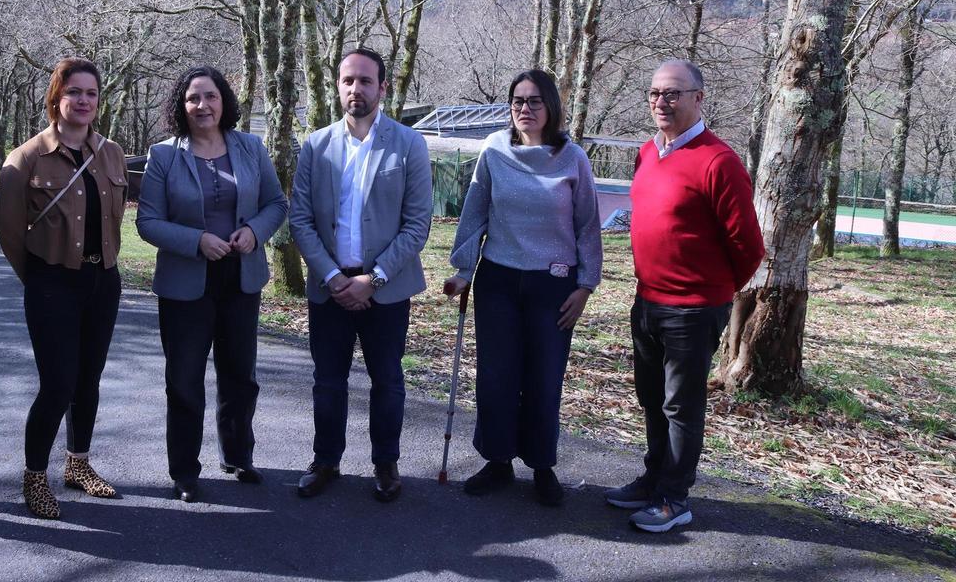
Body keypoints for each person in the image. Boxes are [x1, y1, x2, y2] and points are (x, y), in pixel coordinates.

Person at [604, 59, 764, 533]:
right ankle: (656, 478)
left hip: (693, 309)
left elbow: (749, 247)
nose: (661, 102)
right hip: (648, 300)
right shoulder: (646, 154)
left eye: (673, 93)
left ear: (698, 98)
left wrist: (712, 291)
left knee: (681, 405)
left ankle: (675, 497)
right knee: (651, 397)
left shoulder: (719, 162)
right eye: (654, 93)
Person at [443, 69, 602, 506]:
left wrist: (586, 285)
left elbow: (588, 225)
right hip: (497, 279)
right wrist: (463, 270)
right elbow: (475, 212)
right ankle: (497, 461)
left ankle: (542, 466)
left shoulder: (573, 158)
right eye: (517, 101)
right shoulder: (494, 150)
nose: (524, 109)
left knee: (543, 378)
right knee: (496, 376)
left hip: (553, 284)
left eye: (534, 101)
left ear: (550, 106)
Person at [136, 66, 287, 504]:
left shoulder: (251, 148)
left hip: (241, 277)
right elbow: (147, 222)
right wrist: (196, 241)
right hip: (186, 282)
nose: (203, 106)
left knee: (240, 375)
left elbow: (276, 203)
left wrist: (255, 232)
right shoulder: (164, 155)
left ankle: (238, 455)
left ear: (225, 101)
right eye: (193, 98)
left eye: (211, 96)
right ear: (181, 107)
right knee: (184, 380)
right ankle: (184, 470)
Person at [289, 48, 432, 503]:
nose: (356, 89)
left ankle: (385, 463)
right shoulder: (315, 145)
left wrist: (375, 278)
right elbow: (301, 220)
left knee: (387, 380)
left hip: (385, 291)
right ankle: (326, 460)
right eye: (348, 80)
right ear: (337, 86)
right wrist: (333, 277)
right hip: (328, 288)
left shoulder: (409, 145)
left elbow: (418, 223)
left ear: (382, 87)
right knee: (328, 380)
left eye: (366, 81)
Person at [0, 57, 129, 520]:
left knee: (88, 380)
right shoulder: (26, 158)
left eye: (91, 93)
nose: (84, 101)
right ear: (57, 97)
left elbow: (116, 214)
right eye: (75, 92)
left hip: (103, 281)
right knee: (57, 384)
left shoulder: (111, 153)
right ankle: (35, 478)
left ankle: (78, 465)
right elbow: (9, 230)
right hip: (52, 282)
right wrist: (38, 277)